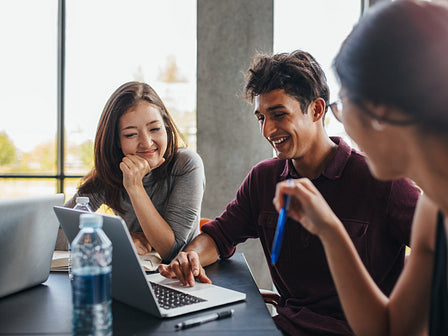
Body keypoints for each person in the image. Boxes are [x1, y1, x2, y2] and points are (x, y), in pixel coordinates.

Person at [273, 1, 448, 335]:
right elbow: (390, 329)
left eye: (341, 105)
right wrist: (329, 231)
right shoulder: (436, 207)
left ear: (381, 111)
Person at [159, 51, 420, 335]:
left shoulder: (382, 182)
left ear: (317, 110)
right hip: (283, 327)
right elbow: (219, 235)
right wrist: (191, 256)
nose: (267, 130)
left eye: (279, 115)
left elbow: (446, 252)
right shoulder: (264, 179)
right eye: (261, 118)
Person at [59, 81, 205, 262]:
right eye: (130, 134)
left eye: (155, 129)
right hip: (134, 273)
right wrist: (121, 237)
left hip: (184, 277)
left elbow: (172, 250)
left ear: (166, 127)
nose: (146, 142)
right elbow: (54, 233)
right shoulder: (111, 173)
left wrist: (135, 186)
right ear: (116, 141)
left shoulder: (186, 164)